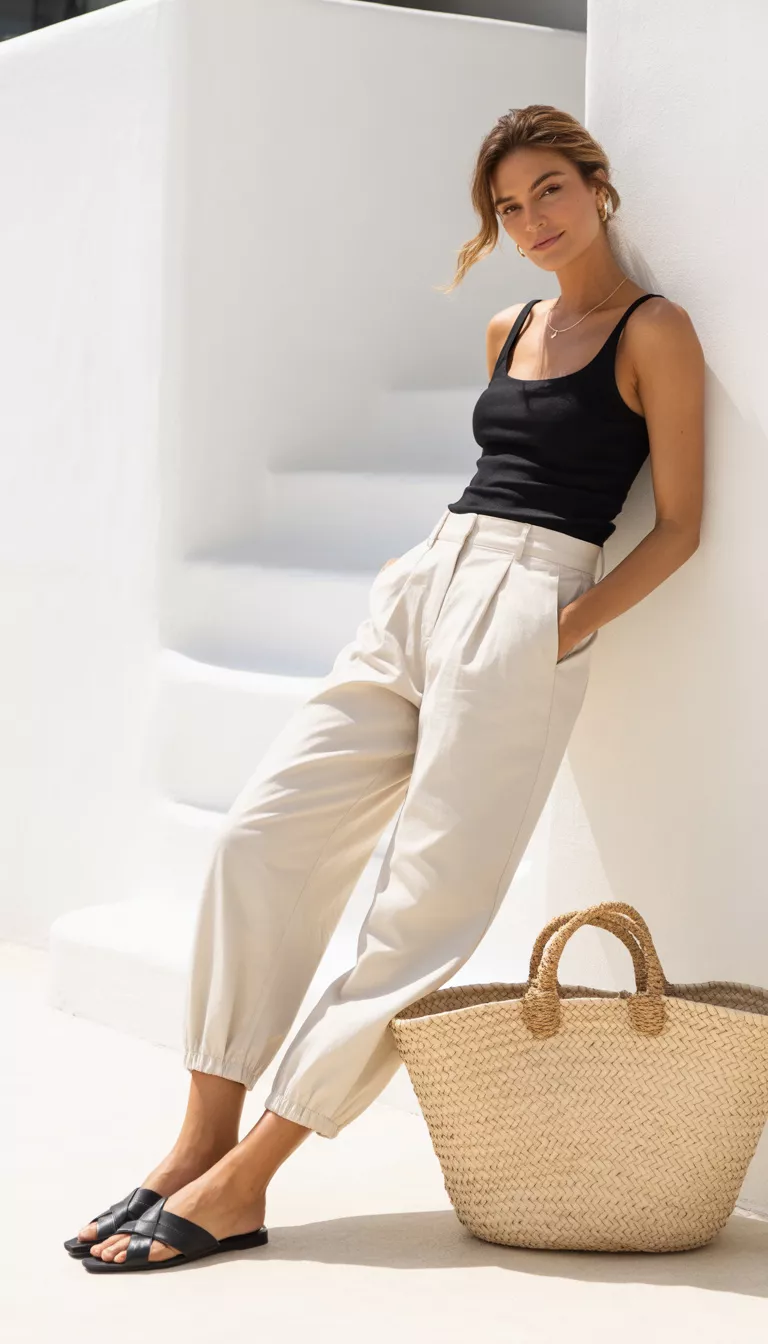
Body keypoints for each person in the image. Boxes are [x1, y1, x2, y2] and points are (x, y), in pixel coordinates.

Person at [72, 104, 704, 1271]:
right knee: (259, 838)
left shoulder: (652, 332)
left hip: (530, 601)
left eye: (549, 193)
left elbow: (680, 527)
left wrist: (562, 626)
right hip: (425, 581)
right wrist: (432, 585)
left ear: (597, 186)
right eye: (509, 209)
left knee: (422, 907)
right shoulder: (508, 326)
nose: (531, 223)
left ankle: (247, 1181)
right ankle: (196, 1141)